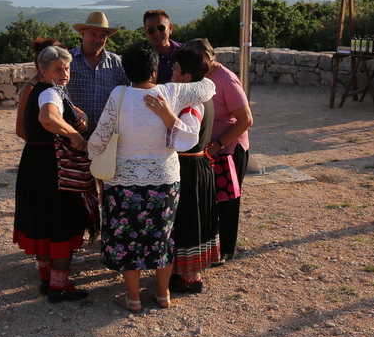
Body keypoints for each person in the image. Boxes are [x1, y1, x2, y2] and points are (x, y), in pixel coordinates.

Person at [88, 44, 215, 313]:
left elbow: (100, 136)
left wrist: (91, 151)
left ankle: (133, 298)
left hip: (123, 180)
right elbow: (209, 87)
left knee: (125, 238)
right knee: (163, 236)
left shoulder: (118, 94)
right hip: (165, 179)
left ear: (126, 70)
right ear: (156, 70)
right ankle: (163, 293)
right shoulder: (170, 92)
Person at [13, 42, 95, 302]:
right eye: (58, 69)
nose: (64, 74)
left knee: (44, 220)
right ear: (43, 70)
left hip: (36, 163)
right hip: (55, 167)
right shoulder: (50, 92)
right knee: (61, 220)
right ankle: (59, 286)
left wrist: (77, 115)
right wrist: (74, 135)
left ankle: (47, 278)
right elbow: (48, 118)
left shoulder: (40, 88)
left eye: (67, 68)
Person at [192, 40, 253, 264]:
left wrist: (219, 144)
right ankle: (211, 247)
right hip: (210, 150)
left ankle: (226, 249)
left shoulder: (226, 79)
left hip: (229, 149)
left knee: (227, 201)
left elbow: (246, 119)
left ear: (209, 57)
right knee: (211, 200)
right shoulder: (200, 76)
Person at [167, 45, 220, 294]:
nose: (172, 71)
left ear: (187, 76)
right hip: (199, 164)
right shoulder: (204, 98)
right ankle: (188, 272)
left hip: (188, 165)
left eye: (176, 68)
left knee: (187, 218)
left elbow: (184, 137)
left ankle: (189, 277)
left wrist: (165, 116)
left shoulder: (192, 104)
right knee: (194, 217)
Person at [67, 11, 127, 135]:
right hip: (73, 133)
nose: (97, 40)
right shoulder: (68, 60)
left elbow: (126, 93)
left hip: (106, 136)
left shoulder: (115, 62)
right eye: (93, 34)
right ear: (82, 34)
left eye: (102, 36)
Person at [143, 9, 183, 83]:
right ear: (146, 32)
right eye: (151, 30)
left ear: (170, 29)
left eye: (161, 28)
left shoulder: (186, 51)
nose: (157, 33)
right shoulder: (142, 59)